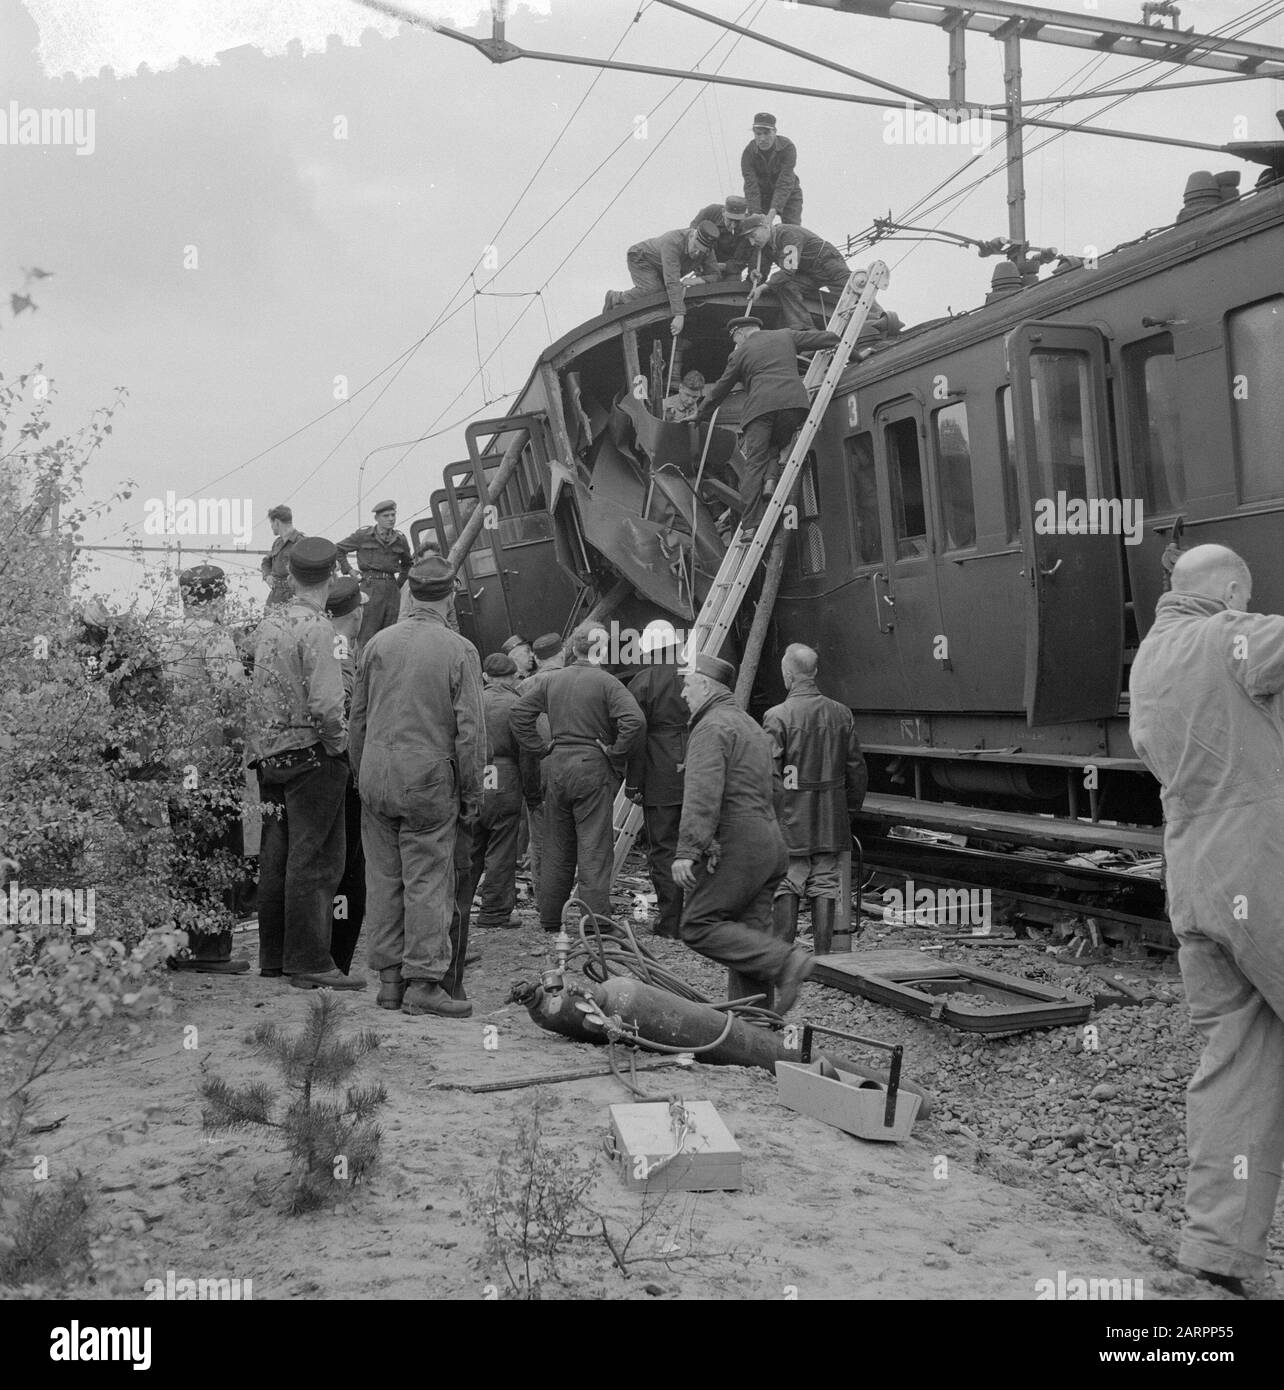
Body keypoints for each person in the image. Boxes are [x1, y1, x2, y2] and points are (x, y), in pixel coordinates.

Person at [1129, 543, 1284, 1297]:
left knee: (1235, 1068)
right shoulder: (1233, 635)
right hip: (1266, 875)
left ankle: (1217, 1255)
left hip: (1195, 885)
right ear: (1228, 591)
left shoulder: (1148, 662)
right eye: (1245, 597)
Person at [349, 553, 484, 1018]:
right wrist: (471, 796)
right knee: (428, 879)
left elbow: (358, 719)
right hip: (428, 781)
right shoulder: (459, 650)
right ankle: (424, 982)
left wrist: (361, 772)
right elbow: (470, 734)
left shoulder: (377, 644)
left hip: (376, 776)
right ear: (449, 596)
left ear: (409, 592)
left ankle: (389, 983)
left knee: (383, 879)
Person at [245, 537, 359, 989]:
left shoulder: (269, 625)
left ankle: (274, 957)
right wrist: (337, 746)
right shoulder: (322, 630)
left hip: (269, 757)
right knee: (316, 860)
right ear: (330, 579)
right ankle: (310, 961)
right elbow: (328, 706)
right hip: (312, 757)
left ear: (290, 576)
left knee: (277, 857)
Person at [672, 653, 813, 1014]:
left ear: (705, 686)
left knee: (698, 924)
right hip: (768, 842)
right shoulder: (749, 725)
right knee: (748, 939)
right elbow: (778, 789)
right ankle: (754, 1023)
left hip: (739, 841)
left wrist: (689, 848)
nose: (684, 694)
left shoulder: (711, 727)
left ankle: (786, 963)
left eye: (687, 686)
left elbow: (703, 790)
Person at [511, 622, 645, 932]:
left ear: (573, 648)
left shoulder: (551, 682)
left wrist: (540, 748)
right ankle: (596, 920)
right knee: (594, 847)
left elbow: (518, 715)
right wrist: (615, 752)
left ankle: (549, 918)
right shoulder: (607, 683)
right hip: (592, 767)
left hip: (558, 768)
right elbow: (634, 720)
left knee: (557, 846)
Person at [163, 564, 251, 974]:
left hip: (176, 762)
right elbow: (232, 697)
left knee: (185, 853)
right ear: (218, 597)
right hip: (212, 764)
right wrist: (238, 749)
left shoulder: (167, 635)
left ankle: (181, 946)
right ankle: (212, 950)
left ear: (184, 597)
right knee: (219, 852)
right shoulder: (215, 636)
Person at [762, 643, 867, 954]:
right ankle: (823, 955)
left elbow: (770, 772)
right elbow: (856, 768)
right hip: (830, 815)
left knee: (788, 880)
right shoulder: (841, 713)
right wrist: (848, 807)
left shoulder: (776, 716)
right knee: (824, 880)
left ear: (788, 675)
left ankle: (782, 954)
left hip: (791, 817)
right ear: (815, 673)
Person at [696, 315, 839, 540]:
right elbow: (830, 339)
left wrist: (698, 415)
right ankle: (770, 481)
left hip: (760, 411)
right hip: (795, 405)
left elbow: (720, 390)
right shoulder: (785, 335)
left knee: (754, 464)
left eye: (734, 337)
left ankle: (751, 526)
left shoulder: (739, 353)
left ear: (740, 333)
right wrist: (859, 356)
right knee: (776, 443)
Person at [624, 621, 689, 938]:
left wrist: (633, 783)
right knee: (701, 845)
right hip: (697, 769)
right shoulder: (696, 676)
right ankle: (703, 920)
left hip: (659, 773)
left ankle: (671, 922)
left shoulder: (643, 682)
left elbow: (635, 736)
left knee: (663, 850)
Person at [325, 575, 369, 976]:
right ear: (353, 613)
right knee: (349, 866)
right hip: (341, 769)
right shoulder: (340, 650)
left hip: (325, 767)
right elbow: (345, 712)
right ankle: (336, 960)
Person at [470, 652, 531, 931]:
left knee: (471, 847)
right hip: (505, 775)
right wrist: (533, 793)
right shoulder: (517, 704)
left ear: (485, 676)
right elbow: (528, 752)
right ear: (513, 677)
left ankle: (458, 907)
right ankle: (494, 911)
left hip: (474, 776)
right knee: (502, 847)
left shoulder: (470, 700)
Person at [602, 223, 722, 337]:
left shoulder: (707, 251)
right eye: (695, 247)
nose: (696, 254)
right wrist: (679, 315)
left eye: (701, 252)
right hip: (642, 258)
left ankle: (631, 312)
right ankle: (616, 298)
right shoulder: (673, 242)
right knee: (654, 291)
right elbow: (672, 281)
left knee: (665, 297)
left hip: (661, 269)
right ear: (692, 236)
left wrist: (694, 281)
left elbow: (715, 275)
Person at [517, 632, 567, 894]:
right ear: (563, 652)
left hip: (537, 768)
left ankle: (544, 896)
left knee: (539, 835)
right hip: (574, 765)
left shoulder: (524, 687)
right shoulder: (577, 680)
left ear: (535, 658)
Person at [742, 216, 851, 332]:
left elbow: (788, 271)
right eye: (749, 239)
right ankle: (805, 330)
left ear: (765, 227)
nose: (752, 242)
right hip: (807, 273)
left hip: (827, 264)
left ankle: (871, 326)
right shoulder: (765, 246)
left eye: (753, 236)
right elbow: (763, 271)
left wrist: (762, 288)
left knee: (854, 293)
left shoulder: (787, 234)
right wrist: (756, 274)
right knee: (786, 286)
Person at [337, 500, 413, 645]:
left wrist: (398, 584)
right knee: (367, 633)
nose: (391, 519)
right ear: (376, 518)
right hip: (370, 588)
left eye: (393, 515)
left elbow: (408, 564)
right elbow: (338, 549)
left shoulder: (400, 540)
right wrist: (350, 570)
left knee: (390, 635)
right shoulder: (363, 536)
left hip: (391, 590)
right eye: (386, 516)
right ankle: (363, 666)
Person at [741, 113, 803, 226]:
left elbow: (784, 182)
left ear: (775, 131)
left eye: (766, 133)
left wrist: (772, 214)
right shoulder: (748, 153)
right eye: (758, 134)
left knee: (792, 230)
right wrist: (755, 214)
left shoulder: (788, 148)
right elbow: (751, 187)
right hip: (762, 195)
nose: (762, 138)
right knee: (755, 227)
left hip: (788, 193)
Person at [690, 195, 753, 277]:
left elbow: (741, 260)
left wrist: (720, 266)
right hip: (705, 263)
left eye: (737, 221)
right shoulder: (710, 213)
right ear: (723, 212)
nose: (733, 225)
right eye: (730, 220)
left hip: (730, 269)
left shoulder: (748, 227)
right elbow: (691, 235)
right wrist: (698, 261)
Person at [261, 504, 302, 610]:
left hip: (293, 596)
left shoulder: (301, 542)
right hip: (275, 595)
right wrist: (267, 576)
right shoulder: (277, 543)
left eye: (271, 523)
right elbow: (266, 561)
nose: (271, 527)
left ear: (277, 522)